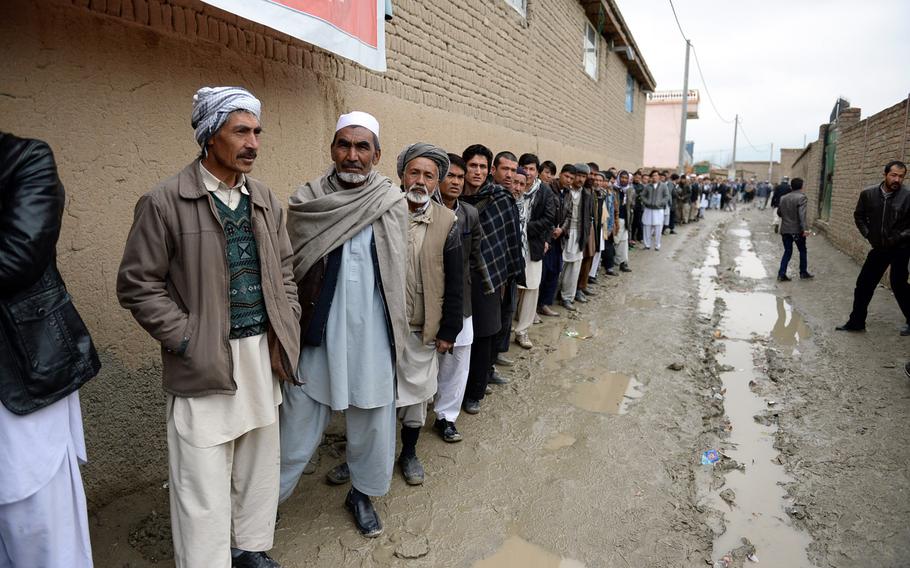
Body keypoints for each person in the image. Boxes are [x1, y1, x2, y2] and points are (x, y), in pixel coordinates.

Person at [117, 87, 300, 567]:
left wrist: (287, 327)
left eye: (257, 131)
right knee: (201, 482)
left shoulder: (262, 198)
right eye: (241, 131)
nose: (254, 142)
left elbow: (284, 272)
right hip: (203, 362)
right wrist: (188, 339)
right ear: (209, 136)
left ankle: (250, 550)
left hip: (261, 357)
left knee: (258, 468)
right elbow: (138, 286)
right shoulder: (164, 202)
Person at [279, 111, 407, 539]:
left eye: (362, 147)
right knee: (293, 431)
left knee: (372, 424)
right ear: (332, 148)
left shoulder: (392, 203)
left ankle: (362, 494)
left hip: (372, 336)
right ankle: (263, 506)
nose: (352, 155)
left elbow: (400, 275)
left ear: (377, 154)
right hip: (316, 336)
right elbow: (289, 269)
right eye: (344, 145)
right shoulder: (307, 199)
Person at [0, 133, 101, 568]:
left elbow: (17, 256)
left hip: (20, 373)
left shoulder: (23, 158)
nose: (252, 143)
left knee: (37, 521)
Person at [390, 143, 463, 485]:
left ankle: (408, 453)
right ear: (402, 175)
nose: (420, 181)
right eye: (414, 173)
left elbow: (455, 278)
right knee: (375, 397)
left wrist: (448, 329)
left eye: (428, 176)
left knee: (417, 399)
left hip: (422, 328)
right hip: (382, 328)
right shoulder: (384, 211)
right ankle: (369, 456)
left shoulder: (447, 220)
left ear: (437, 182)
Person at [459, 144, 523, 415]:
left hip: (489, 277)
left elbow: (510, 240)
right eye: (473, 166)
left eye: (483, 167)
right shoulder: (452, 195)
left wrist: (506, 276)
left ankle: (475, 391)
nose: (478, 171)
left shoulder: (500, 198)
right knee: (459, 336)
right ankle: (454, 390)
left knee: (484, 335)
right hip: (458, 276)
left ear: (489, 170)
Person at [433, 154, 492, 442]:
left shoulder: (470, 213)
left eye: (459, 177)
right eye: (450, 176)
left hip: (461, 299)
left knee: (457, 361)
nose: (456, 182)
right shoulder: (423, 208)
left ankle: (446, 417)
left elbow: (474, 255)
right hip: (426, 299)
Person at [837, 160, 910, 335]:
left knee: (898, 284)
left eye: (901, 176)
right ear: (885, 174)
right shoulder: (868, 194)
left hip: (901, 247)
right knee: (864, 284)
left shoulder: (908, 196)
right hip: (879, 247)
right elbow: (859, 216)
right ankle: (856, 322)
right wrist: (868, 234)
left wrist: (899, 237)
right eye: (893, 175)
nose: (897, 180)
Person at [514, 155, 556, 349]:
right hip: (513, 246)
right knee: (512, 288)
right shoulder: (515, 185)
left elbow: (549, 218)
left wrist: (523, 228)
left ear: (537, 171)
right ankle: (505, 330)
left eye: (531, 169)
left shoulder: (545, 191)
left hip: (534, 246)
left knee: (531, 289)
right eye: (524, 168)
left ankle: (522, 331)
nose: (528, 173)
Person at [489, 151, 522, 371]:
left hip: (508, 269)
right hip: (491, 272)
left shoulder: (509, 196)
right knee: (490, 324)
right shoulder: (489, 196)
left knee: (505, 316)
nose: (510, 174)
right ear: (494, 170)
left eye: (513, 169)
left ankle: (491, 364)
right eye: (505, 169)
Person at [537, 164, 575, 317]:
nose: (569, 180)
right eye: (567, 176)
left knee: (554, 272)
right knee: (542, 273)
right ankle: (533, 307)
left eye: (572, 178)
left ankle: (545, 304)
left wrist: (562, 229)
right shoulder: (548, 189)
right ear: (560, 174)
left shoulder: (568, 193)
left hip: (559, 239)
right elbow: (544, 211)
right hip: (546, 237)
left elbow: (570, 215)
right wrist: (552, 228)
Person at [559, 164, 592, 310]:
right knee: (560, 266)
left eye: (583, 177)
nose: (580, 179)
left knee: (574, 267)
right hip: (563, 234)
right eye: (578, 176)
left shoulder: (587, 194)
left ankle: (568, 297)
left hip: (578, 235)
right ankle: (553, 295)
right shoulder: (564, 191)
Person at [776, 178, 813, 282]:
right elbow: (802, 215)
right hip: (796, 230)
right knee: (802, 250)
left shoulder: (783, 198)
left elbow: (779, 213)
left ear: (791, 186)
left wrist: (787, 216)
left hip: (785, 229)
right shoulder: (802, 198)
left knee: (787, 251)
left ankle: (781, 274)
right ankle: (803, 272)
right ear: (802, 186)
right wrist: (805, 229)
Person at [641, 170, 670, 251]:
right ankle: (647, 245)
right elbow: (642, 196)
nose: (654, 177)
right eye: (653, 175)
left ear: (659, 176)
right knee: (647, 226)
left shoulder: (663, 186)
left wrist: (660, 203)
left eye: (656, 175)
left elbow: (667, 196)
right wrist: (647, 202)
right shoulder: (647, 186)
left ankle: (657, 245)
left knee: (658, 228)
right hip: (648, 209)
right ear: (651, 177)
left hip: (659, 210)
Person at [613, 170, 633, 272]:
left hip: (625, 219)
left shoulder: (629, 190)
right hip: (616, 219)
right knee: (615, 241)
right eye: (622, 177)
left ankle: (623, 263)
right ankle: (612, 263)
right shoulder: (614, 189)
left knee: (624, 242)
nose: (624, 180)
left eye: (626, 178)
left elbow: (631, 205)